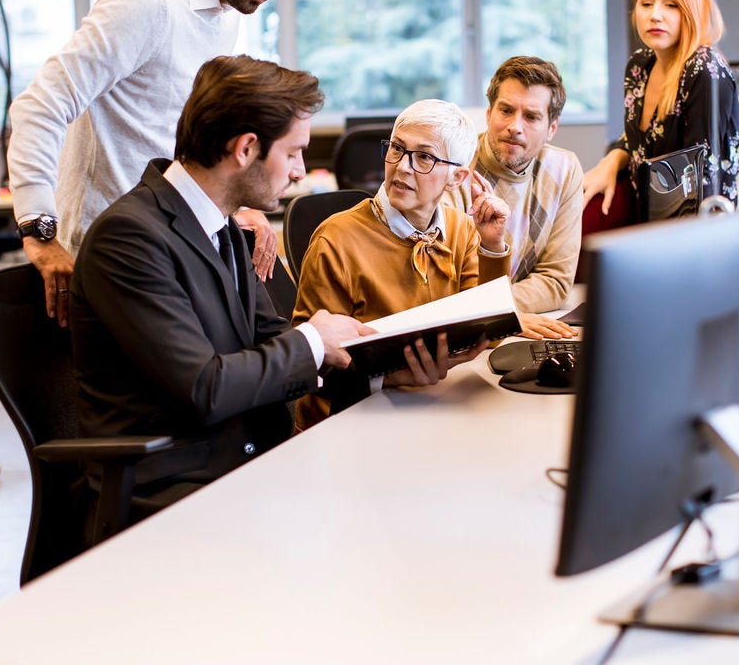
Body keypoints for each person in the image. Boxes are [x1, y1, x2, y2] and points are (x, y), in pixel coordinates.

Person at [72, 55, 454, 513]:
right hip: (173, 490)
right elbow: (204, 388)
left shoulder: (221, 226)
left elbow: (265, 338)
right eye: (293, 153)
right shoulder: (130, 237)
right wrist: (315, 338)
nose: (299, 171)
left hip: (249, 462)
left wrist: (384, 367)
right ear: (246, 148)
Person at [8, 0, 328, 326]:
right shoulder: (149, 1)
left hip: (173, 236)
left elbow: (192, 133)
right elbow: (41, 104)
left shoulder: (229, 10)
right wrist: (40, 231)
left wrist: (234, 206)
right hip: (111, 250)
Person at [292, 99, 510, 419]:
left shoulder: (462, 229)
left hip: (430, 405)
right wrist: (389, 377)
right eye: (397, 148)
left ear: (457, 178)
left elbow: (485, 334)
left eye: (424, 157)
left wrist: (492, 246)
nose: (403, 166)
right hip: (347, 419)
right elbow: (308, 363)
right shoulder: (336, 239)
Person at [582, 0, 739, 223]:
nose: (655, 14)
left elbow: (702, 182)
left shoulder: (704, 71)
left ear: (691, 11)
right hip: (645, 222)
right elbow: (639, 143)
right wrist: (611, 160)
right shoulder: (640, 66)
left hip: (692, 235)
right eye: (646, 4)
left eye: (671, 5)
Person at [446, 56, 583, 340]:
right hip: (462, 335)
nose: (515, 126)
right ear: (488, 114)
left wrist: (494, 310)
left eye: (531, 117)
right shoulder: (452, 168)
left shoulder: (565, 170)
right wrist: (498, 314)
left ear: (552, 128)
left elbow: (556, 280)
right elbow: (445, 291)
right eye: (506, 110)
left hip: (512, 327)